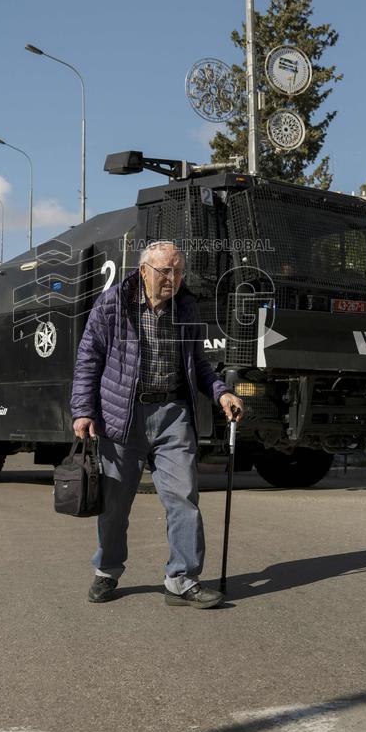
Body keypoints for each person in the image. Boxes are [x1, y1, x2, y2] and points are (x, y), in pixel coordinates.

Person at [71, 241, 244, 608]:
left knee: (183, 497)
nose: (173, 279)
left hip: (172, 415)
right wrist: (83, 410)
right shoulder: (112, 304)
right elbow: (88, 359)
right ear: (144, 269)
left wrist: (222, 394)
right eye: (166, 271)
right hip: (123, 416)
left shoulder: (187, 307)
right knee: (115, 505)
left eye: (179, 271)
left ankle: (182, 579)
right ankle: (107, 571)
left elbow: (199, 364)